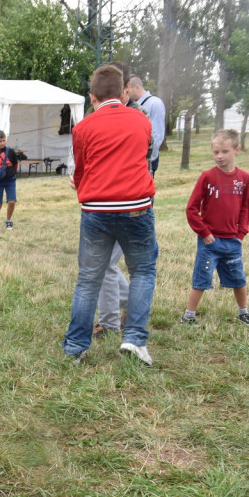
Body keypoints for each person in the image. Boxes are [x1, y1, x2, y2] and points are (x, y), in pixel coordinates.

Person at [62, 64, 157, 366]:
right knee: (142, 271)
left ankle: (76, 347)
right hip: (136, 207)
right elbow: (145, 155)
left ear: (92, 97)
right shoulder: (141, 120)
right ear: (124, 92)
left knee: (88, 279)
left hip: (97, 210)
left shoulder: (83, 127)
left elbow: (81, 169)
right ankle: (135, 340)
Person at [93, 61, 147, 338]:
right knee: (106, 264)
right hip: (113, 202)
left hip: (127, 204)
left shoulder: (135, 118)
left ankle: (112, 321)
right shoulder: (123, 116)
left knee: (104, 263)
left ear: (126, 89)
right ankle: (128, 306)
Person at [180, 129, 249, 326]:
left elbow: (246, 207)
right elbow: (192, 209)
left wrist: (241, 233)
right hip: (209, 242)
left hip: (233, 242)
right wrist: (204, 232)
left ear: (237, 149)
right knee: (201, 277)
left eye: (224, 151)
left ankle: (243, 312)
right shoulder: (207, 177)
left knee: (239, 278)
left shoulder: (244, 178)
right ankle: (189, 315)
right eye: (215, 152)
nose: (219, 156)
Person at [130, 76, 166, 176]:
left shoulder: (155, 103)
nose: (127, 94)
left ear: (137, 87)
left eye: (128, 90)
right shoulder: (133, 105)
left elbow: (157, 135)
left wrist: (146, 158)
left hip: (146, 160)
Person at [0, 131, 18, 230]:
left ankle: (8, 220)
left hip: (10, 180)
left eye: (4, 140)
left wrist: (12, 173)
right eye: (0, 141)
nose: (2, 143)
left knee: (12, 201)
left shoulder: (11, 151)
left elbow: (15, 164)